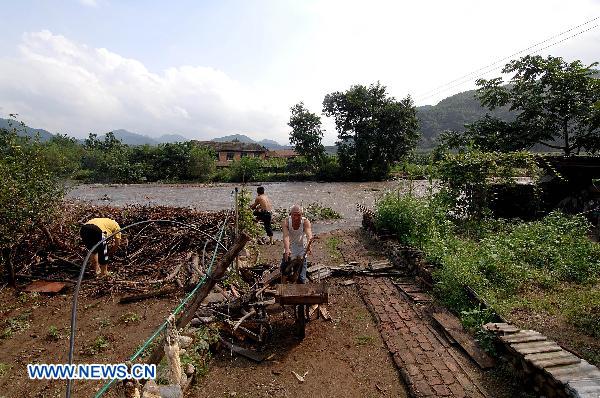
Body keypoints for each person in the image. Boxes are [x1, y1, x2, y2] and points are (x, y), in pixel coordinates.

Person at [281, 205, 313, 283]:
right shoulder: (286, 222)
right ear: (290, 214)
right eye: (294, 215)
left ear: (302, 215)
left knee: (302, 279)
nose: (296, 217)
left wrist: (309, 245)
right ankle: (283, 284)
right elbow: (286, 236)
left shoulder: (305, 222)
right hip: (290, 246)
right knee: (284, 270)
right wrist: (287, 249)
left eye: (298, 215)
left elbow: (309, 234)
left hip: (301, 248)